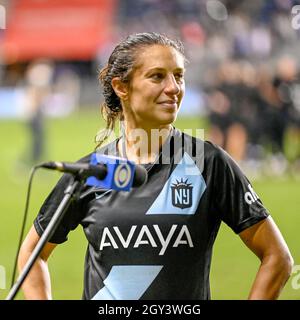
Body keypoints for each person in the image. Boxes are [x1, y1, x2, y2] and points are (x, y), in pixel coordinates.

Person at [18, 32, 293, 300]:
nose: (173, 87)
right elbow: (32, 253)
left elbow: (277, 257)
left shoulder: (206, 162)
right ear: (121, 87)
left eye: (179, 76)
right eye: (157, 76)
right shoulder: (95, 171)